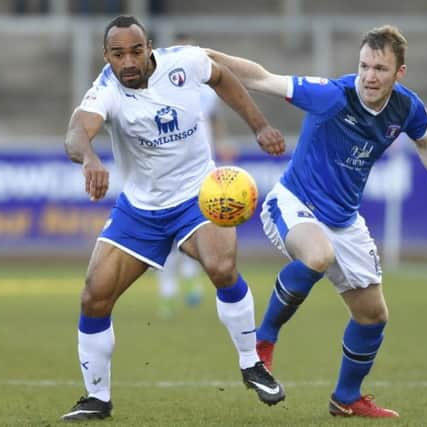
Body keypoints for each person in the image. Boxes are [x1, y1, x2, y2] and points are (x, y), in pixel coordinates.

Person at [207, 24, 427, 419]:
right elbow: (262, 77)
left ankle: (346, 397)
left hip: (345, 220)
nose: (369, 76)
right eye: (364, 65)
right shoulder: (332, 95)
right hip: (295, 202)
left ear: (399, 73)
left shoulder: (407, 107)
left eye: (380, 69)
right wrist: (205, 56)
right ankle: (263, 340)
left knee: (373, 315)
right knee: (317, 255)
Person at [60, 15, 286, 421]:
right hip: (140, 209)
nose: (128, 61)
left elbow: (224, 78)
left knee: (221, 266)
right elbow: (77, 131)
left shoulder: (186, 62)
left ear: (149, 48)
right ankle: (97, 397)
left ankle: (252, 363)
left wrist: (260, 125)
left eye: (135, 50)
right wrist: (90, 157)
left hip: (198, 197)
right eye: (118, 54)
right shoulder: (106, 90)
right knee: (94, 296)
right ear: (105, 55)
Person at [156, 33, 238, 319]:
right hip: (170, 172)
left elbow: (215, 120)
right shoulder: (162, 88)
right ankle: (167, 292)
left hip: (203, 171)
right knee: (167, 235)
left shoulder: (206, 89)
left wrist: (223, 142)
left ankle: (191, 276)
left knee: (200, 226)